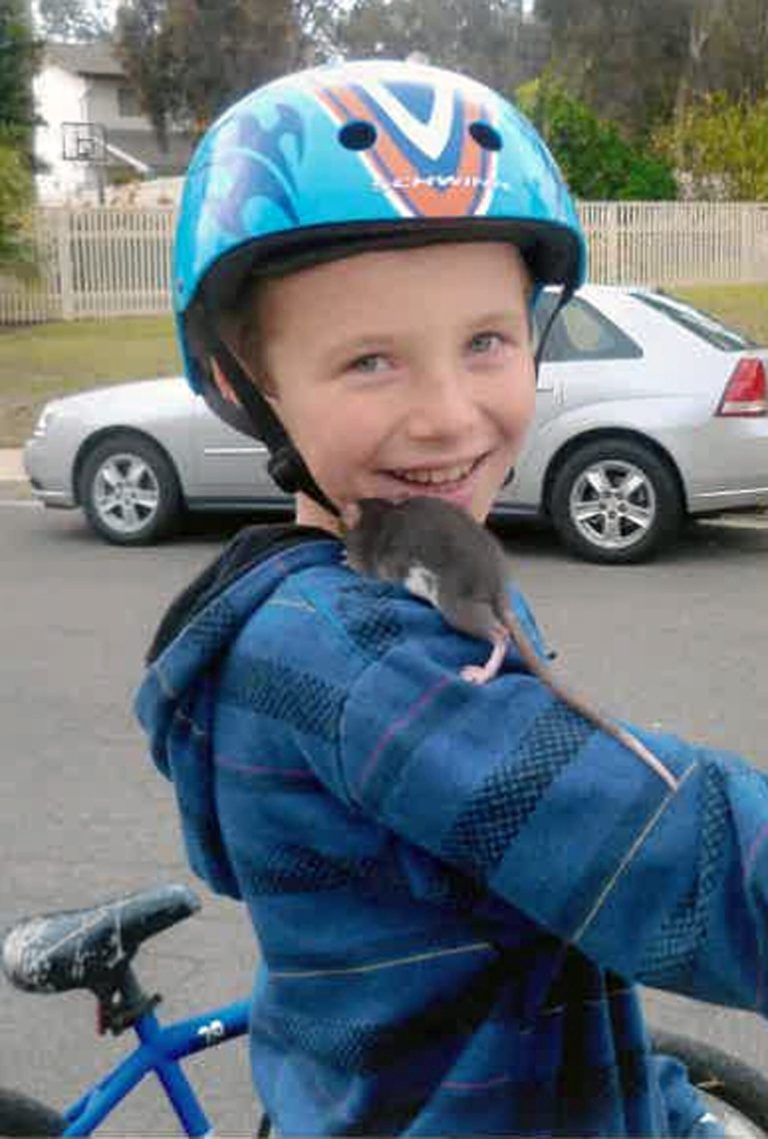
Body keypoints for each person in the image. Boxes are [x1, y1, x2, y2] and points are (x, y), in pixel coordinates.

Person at [136, 59, 768, 1136]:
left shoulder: (349, 586)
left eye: (486, 341)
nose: (447, 414)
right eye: (372, 359)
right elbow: (666, 851)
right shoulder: (350, 656)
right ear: (247, 385)